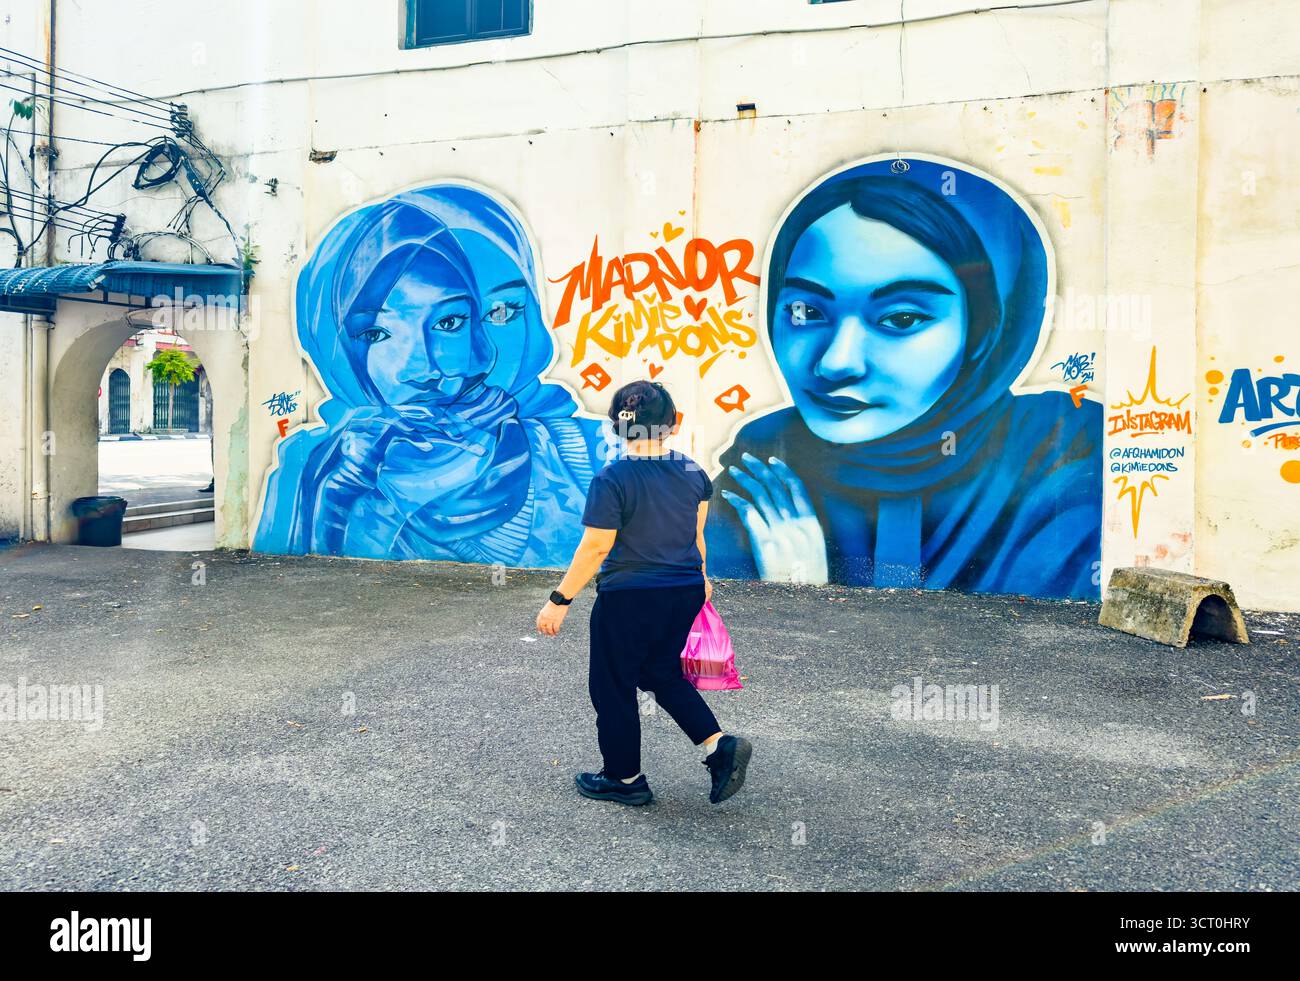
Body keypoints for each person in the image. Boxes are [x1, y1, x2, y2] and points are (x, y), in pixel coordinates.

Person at [707, 159, 1102, 599]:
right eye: (806, 312)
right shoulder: (765, 464)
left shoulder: (1065, 451)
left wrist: (807, 590)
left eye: (901, 318)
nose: (837, 363)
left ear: (986, 332)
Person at [255, 184, 604, 566]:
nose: (423, 369)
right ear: (335, 346)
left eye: (500, 312)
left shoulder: (589, 453)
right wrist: (333, 497)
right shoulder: (314, 470)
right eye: (375, 334)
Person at [536, 380, 752, 806]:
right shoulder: (693, 472)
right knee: (659, 673)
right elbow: (696, 536)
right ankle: (717, 745)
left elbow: (596, 546)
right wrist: (702, 578)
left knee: (612, 685)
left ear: (617, 428)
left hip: (631, 597)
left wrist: (559, 600)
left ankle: (624, 779)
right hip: (684, 589)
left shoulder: (612, 478)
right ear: (674, 424)